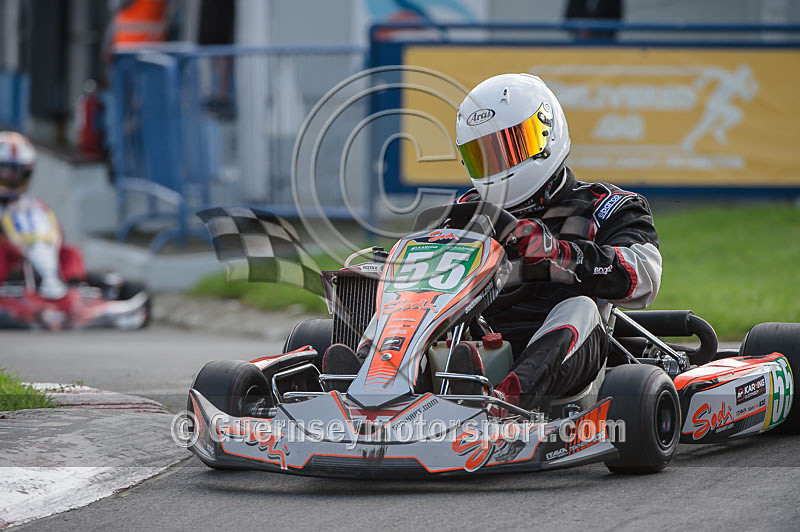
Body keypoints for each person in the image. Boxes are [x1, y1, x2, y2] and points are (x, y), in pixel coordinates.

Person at [324, 74, 661, 412]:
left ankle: (507, 400)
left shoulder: (606, 205)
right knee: (405, 297)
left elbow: (643, 277)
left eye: (512, 146)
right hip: (475, 336)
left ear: (547, 133)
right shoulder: (463, 214)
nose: (501, 163)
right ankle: (367, 383)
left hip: (561, 348)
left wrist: (562, 253)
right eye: (485, 155)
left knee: (582, 307)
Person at [0, 131, 87, 289]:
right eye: (5, 171)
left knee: (71, 253)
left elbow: (57, 234)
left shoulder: (35, 206)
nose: (11, 177)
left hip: (31, 262)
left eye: (17, 172)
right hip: (7, 267)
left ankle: (72, 292)